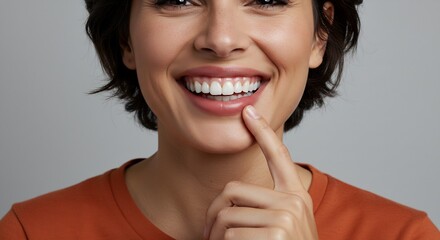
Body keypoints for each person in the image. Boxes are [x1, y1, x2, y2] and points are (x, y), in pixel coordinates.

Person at [0, 0, 439, 239]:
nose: (221, 39)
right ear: (124, 38)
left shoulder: (404, 236)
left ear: (320, 35)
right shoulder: (31, 233)